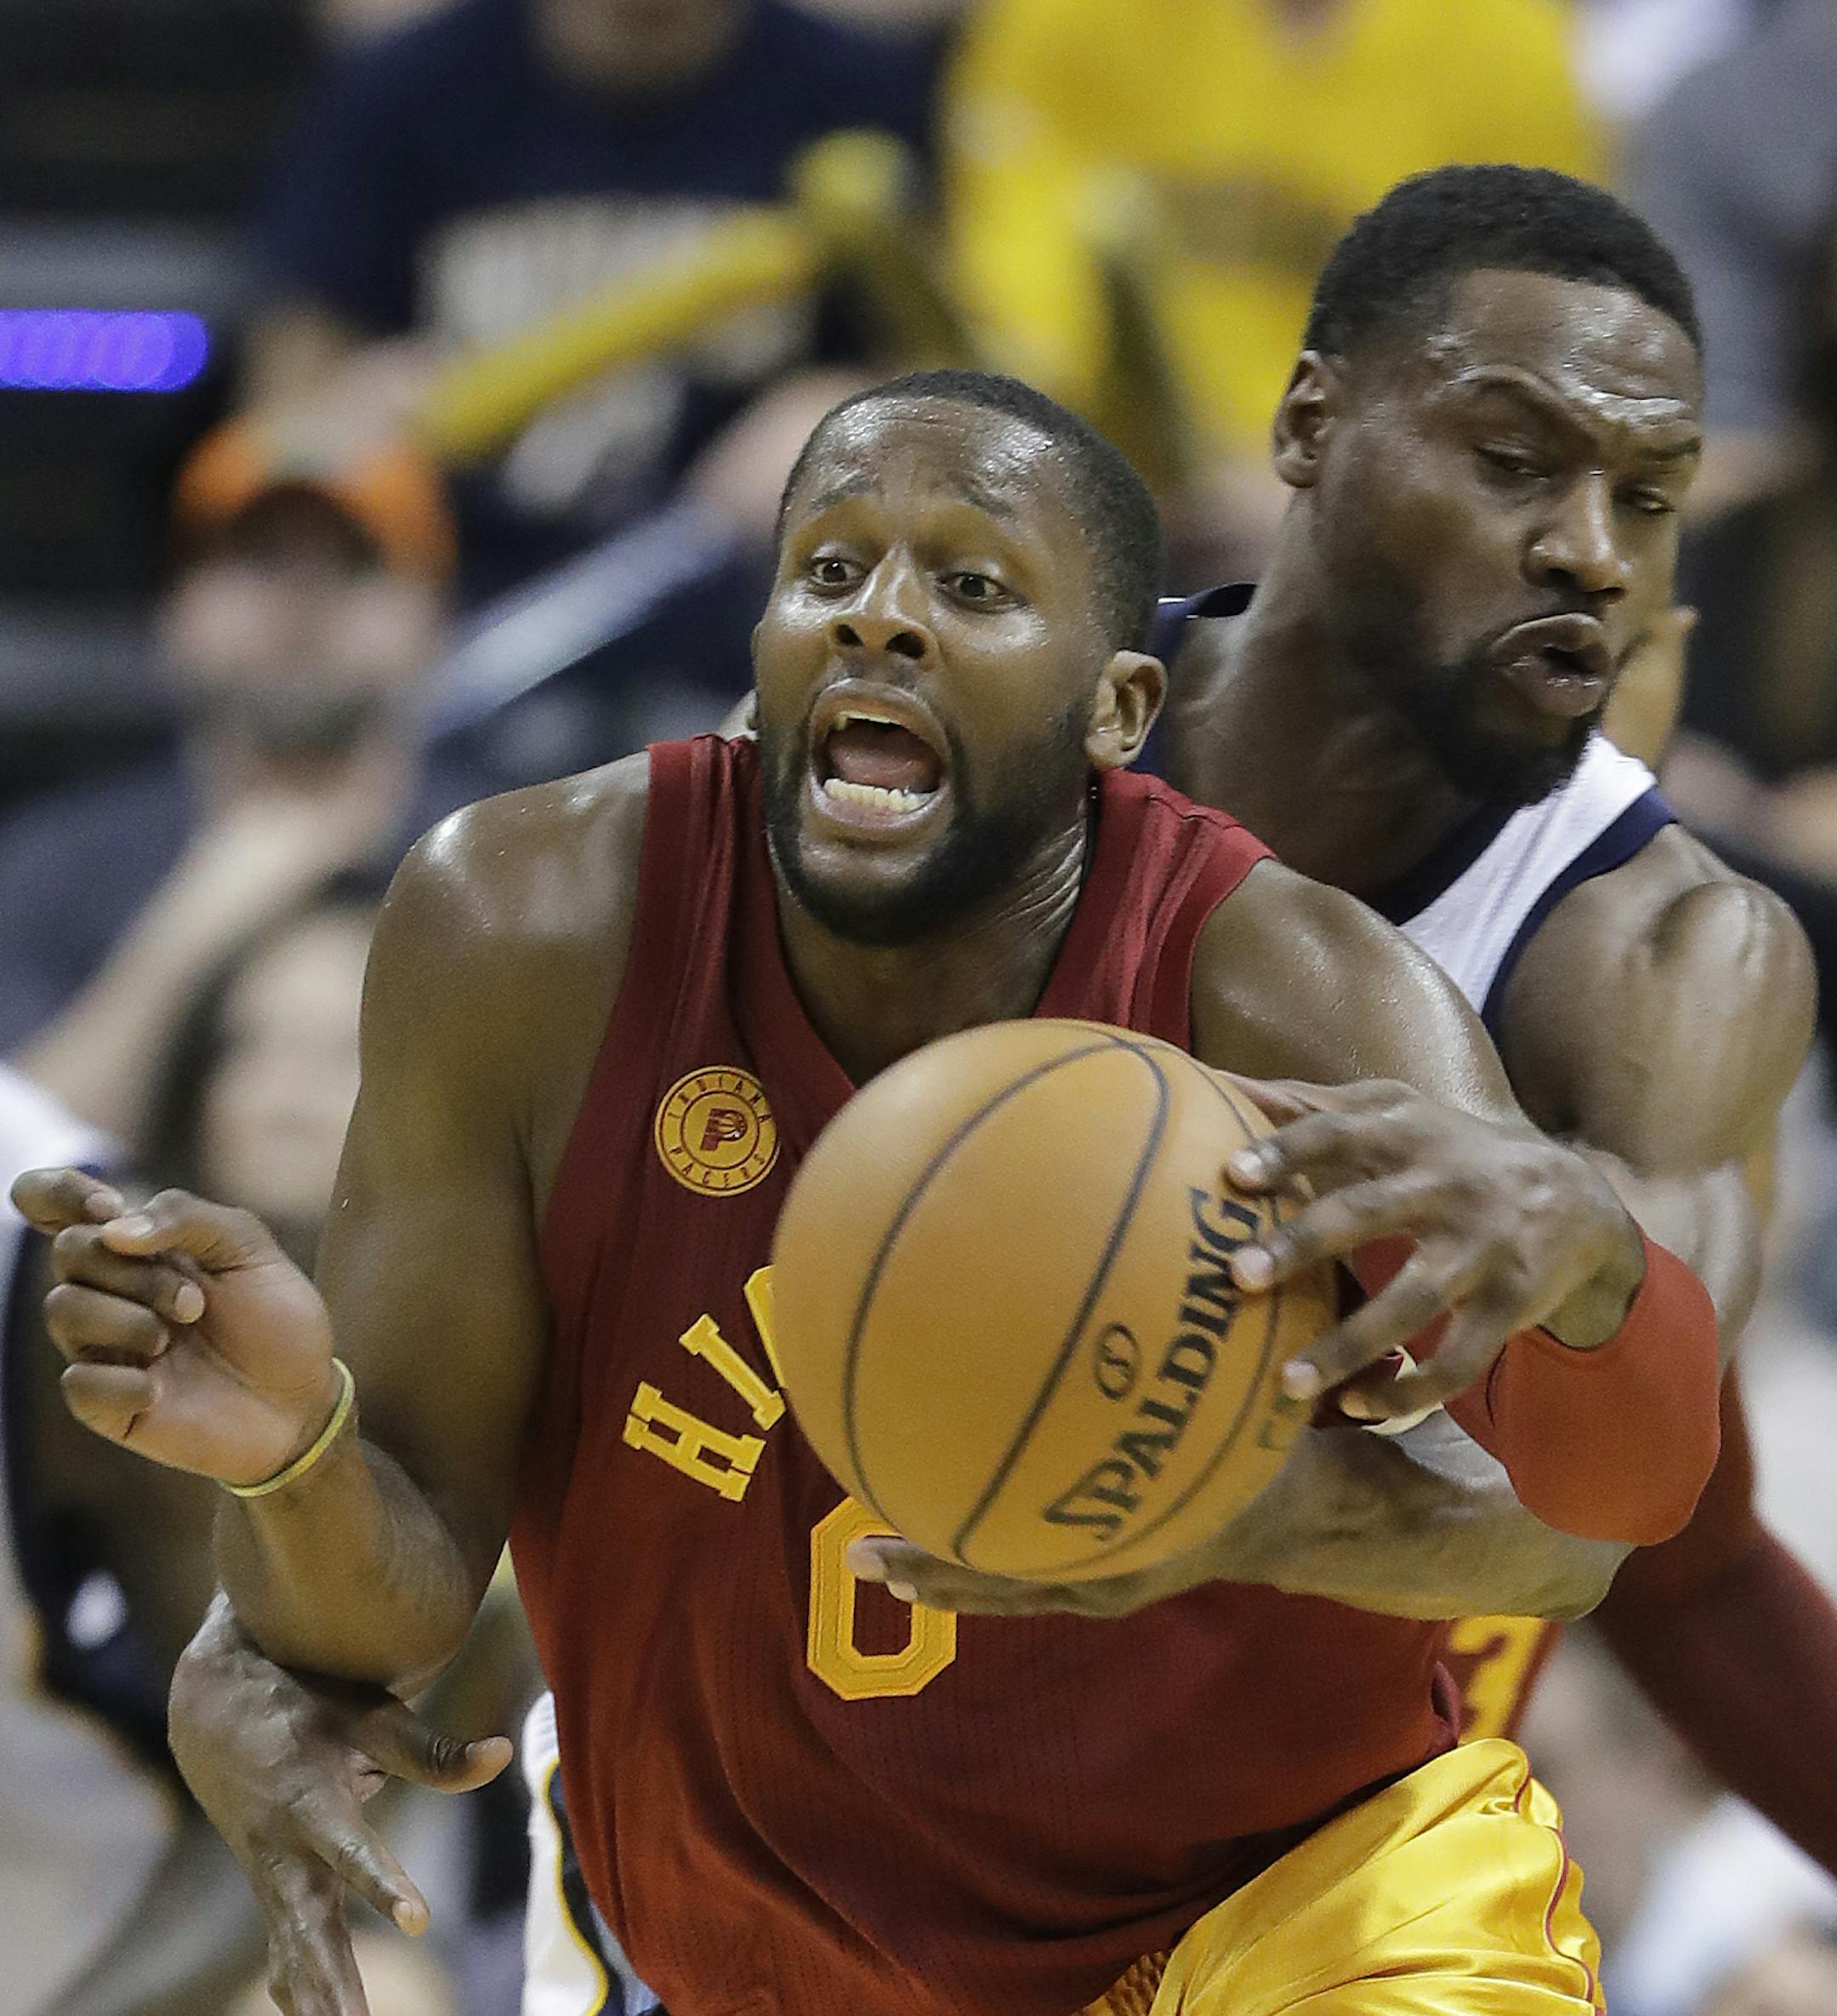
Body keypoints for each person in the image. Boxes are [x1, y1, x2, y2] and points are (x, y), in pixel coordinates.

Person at [17, 370, 1725, 2015]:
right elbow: (398, 1595)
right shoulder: (527, 926)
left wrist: (1313, 1497)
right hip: (771, 1956)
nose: (878, 618)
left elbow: (1588, 1527)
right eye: (827, 570)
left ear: (1117, 711)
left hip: (1303, 1914)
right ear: (758, 649)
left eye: (971, 587)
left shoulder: (1289, 994)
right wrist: (287, 1449)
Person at [1135, 166, 1832, 1874]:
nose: (1591, 565)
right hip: (814, 1806)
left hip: (1309, 1896)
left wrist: (1151, 1516)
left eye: (1651, 506)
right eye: (1519, 466)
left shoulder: (1667, 963)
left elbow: (1673, 1550)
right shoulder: (1020, 752)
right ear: (1309, 425)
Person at [247, 0, 939, 596]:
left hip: (753, 611)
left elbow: (961, 396)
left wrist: (858, 426)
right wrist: (346, 424)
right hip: (457, 612)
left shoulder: (857, 96)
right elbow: (279, 408)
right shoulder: (402, 90)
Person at [944, 0, 1602, 561]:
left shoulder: (1505, 40)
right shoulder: (1070, 15)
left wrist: (1329, 474)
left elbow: (1518, 337)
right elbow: (1016, 295)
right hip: (1086, 472)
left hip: (1361, 499)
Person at [0, 417, 477, 1151]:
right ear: (176, 607)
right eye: (257, 561)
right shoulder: (55, 865)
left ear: (434, 618)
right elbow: (14, 1175)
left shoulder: (509, 863)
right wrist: (200, 919)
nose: (300, 602)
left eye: (351, 566)